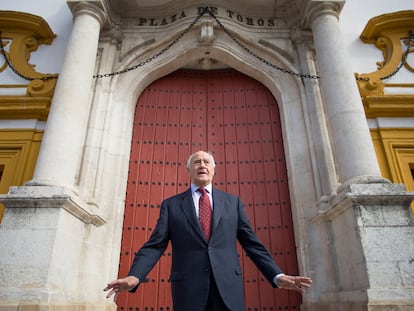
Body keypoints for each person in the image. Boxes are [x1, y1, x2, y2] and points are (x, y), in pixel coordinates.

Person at [104, 150, 312, 311]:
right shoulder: (172, 205)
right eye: (196, 162)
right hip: (188, 289)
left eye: (206, 162)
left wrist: (276, 275)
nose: (201, 165)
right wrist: (135, 276)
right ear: (189, 170)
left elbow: (252, 244)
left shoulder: (233, 203)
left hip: (228, 289)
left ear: (214, 169)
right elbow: (155, 245)